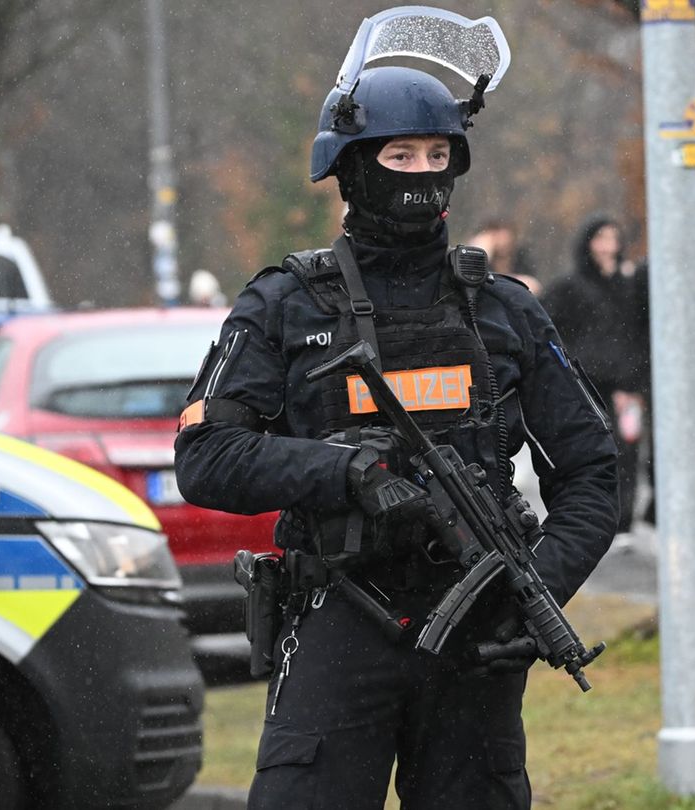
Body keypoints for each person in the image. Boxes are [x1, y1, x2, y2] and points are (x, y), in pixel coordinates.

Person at [172, 48, 618, 809]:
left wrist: (536, 587)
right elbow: (206, 457)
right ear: (351, 166)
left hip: (477, 636)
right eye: (400, 153)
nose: (420, 171)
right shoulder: (284, 306)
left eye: (437, 154)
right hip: (339, 616)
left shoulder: (505, 310)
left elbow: (593, 473)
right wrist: (344, 472)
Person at [541, 216, 649, 533]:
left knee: (627, 453)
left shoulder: (629, 286)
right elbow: (545, 322)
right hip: (586, 386)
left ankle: (623, 521)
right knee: (590, 451)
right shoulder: (571, 286)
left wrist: (637, 378)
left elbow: (641, 333)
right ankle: (593, 516)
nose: (608, 246)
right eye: (601, 238)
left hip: (625, 387)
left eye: (614, 238)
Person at [468, 218, 541, 295]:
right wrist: (481, 250)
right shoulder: (483, 264)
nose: (503, 243)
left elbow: (531, 286)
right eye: (498, 238)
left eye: (506, 238)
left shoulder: (522, 261)